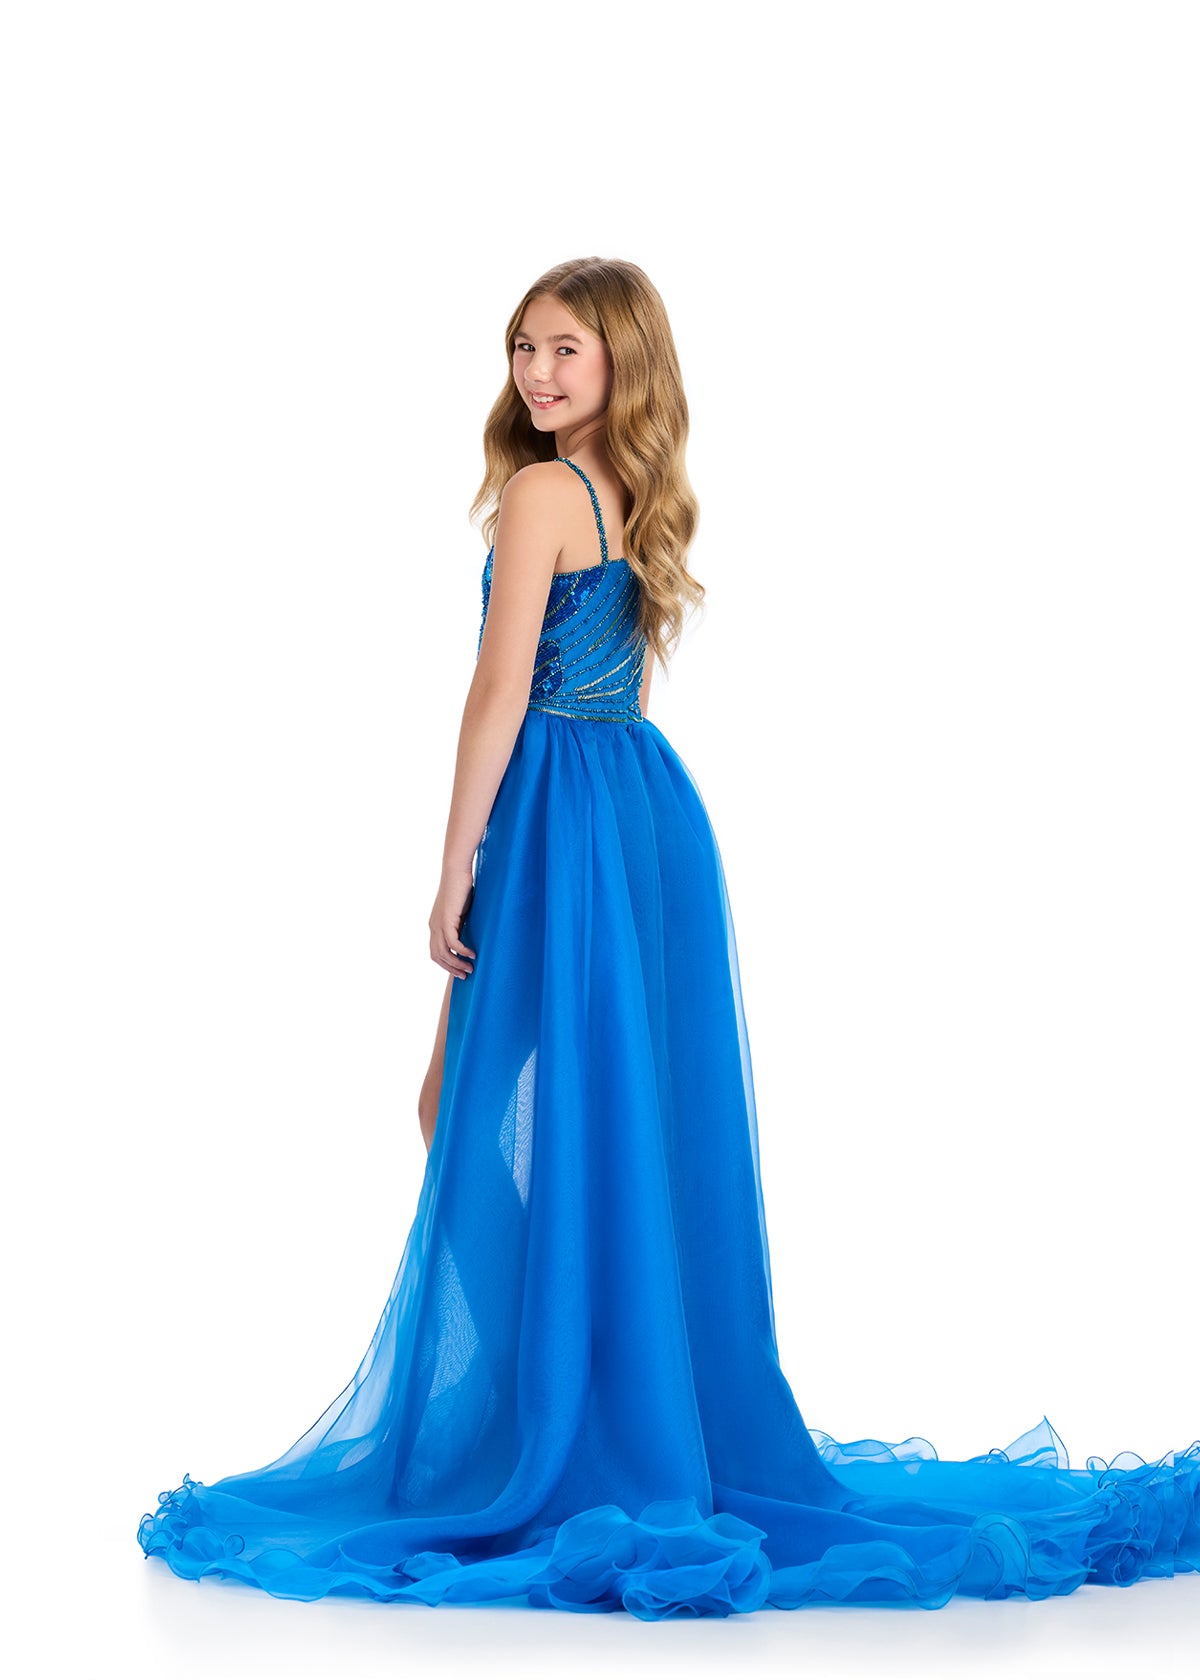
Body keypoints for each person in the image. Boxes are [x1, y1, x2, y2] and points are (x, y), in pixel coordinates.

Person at [137, 257, 1198, 1619]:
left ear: (621, 362)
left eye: (566, 350)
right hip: (636, 809)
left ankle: (557, 1409)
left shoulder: (543, 494)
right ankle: (587, 1390)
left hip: (561, 817)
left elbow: (499, 689)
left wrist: (454, 865)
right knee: (576, 1111)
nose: (536, 373)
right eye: (524, 347)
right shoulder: (632, 490)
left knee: (477, 1103)